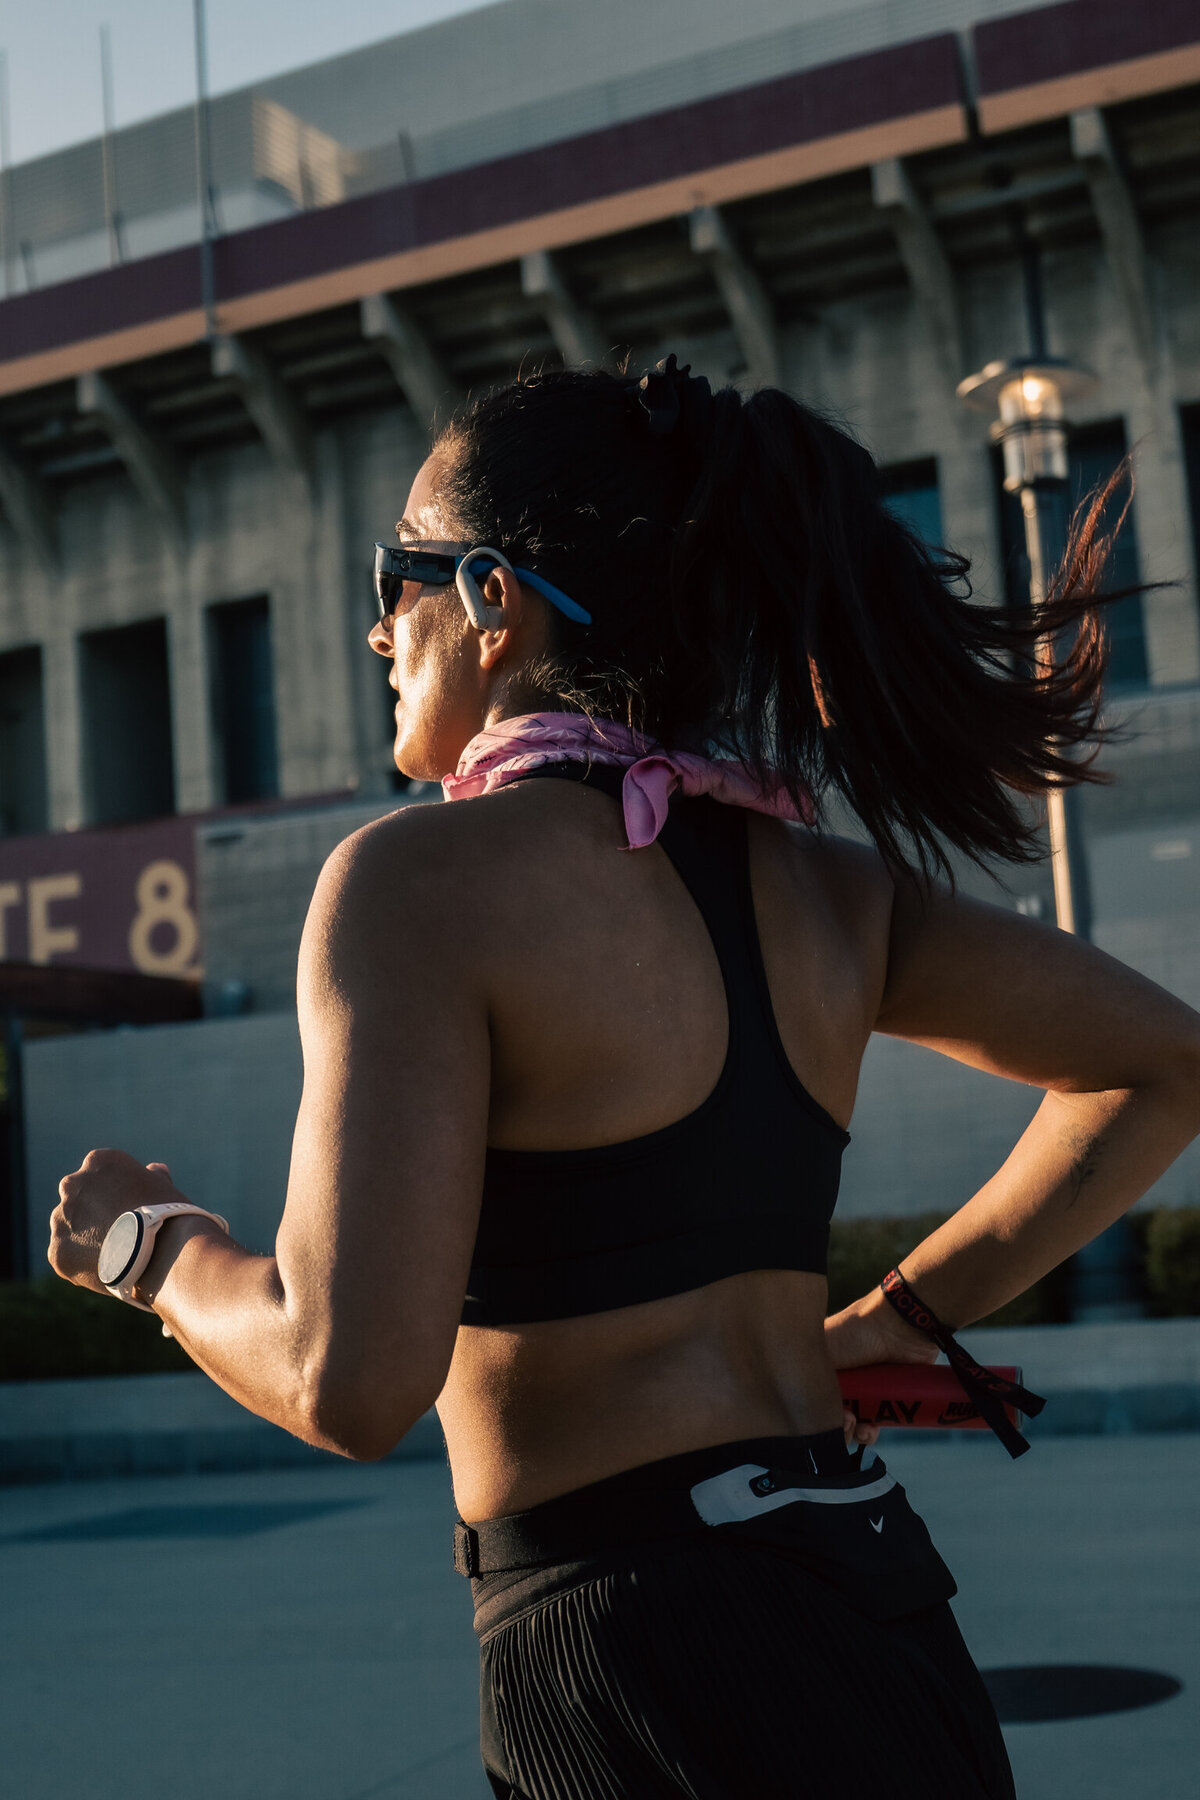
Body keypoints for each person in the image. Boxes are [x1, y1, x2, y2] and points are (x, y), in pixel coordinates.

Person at [50, 361, 1200, 1800]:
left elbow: (346, 1382)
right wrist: (895, 1324)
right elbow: (1162, 1066)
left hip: (636, 1661)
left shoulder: (416, 886)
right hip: (888, 1609)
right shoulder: (833, 893)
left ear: (489, 599)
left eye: (393, 574)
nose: (372, 625)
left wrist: (150, 1251)